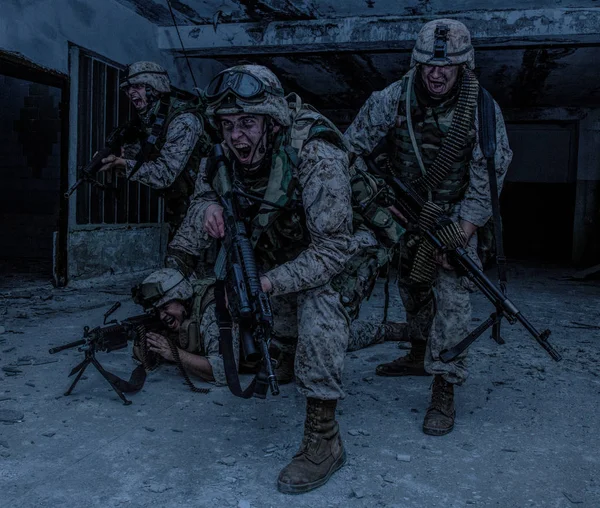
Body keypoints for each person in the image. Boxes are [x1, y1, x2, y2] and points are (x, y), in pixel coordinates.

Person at [169, 64, 404, 493]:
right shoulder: (224, 150)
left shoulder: (317, 153)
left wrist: (271, 283)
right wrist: (208, 208)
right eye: (226, 123)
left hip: (349, 247)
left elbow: (331, 251)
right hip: (295, 244)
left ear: (272, 119)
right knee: (260, 306)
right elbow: (207, 186)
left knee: (319, 303)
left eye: (247, 122)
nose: (236, 135)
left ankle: (324, 437)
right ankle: (293, 352)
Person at [344, 19, 513, 436]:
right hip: (401, 209)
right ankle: (418, 352)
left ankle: (444, 384)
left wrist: (464, 229)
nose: (436, 73)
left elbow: (491, 173)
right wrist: (374, 202)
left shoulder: (483, 110)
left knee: (453, 292)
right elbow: (349, 149)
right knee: (410, 284)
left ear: (464, 65)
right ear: (416, 63)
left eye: (448, 66)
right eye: (428, 65)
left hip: (454, 217)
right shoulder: (392, 99)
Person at [133, 268, 408, 387]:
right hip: (273, 338)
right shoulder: (185, 312)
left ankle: (400, 330)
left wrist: (174, 354)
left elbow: (220, 372)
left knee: (348, 335)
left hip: (286, 340)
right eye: (156, 311)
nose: (162, 315)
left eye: (165, 306)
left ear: (181, 295)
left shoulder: (211, 314)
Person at [98, 61, 212, 245]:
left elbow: (165, 173)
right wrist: (120, 159)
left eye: (138, 86)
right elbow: (144, 159)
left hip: (205, 203)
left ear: (156, 87)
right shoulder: (150, 119)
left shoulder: (184, 121)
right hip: (181, 200)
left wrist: (124, 164)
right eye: (128, 89)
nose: (131, 93)